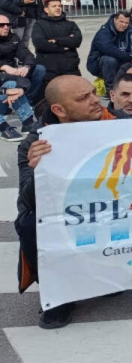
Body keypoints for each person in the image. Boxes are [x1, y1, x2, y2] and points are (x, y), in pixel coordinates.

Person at [16, 75, 115, 328]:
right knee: (28, 224)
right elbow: (28, 201)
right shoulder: (35, 141)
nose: (96, 101)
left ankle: (115, 273)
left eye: (94, 93)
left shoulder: (115, 124)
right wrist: (39, 168)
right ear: (59, 109)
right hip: (65, 211)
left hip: (110, 204)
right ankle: (58, 296)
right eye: (84, 98)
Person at [31, 0, 83, 83]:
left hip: (70, 68)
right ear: (46, 10)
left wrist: (56, 40)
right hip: (49, 70)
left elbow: (77, 40)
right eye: (54, 6)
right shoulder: (39, 25)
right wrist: (63, 47)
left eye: (59, 6)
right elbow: (40, 44)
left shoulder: (70, 24)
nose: (58, 8)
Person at [85, 10, 132, 89]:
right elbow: (108, 49)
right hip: (98, 63)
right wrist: (130, 58)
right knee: (110, 60)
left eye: (126, 23)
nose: (124, 25)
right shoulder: (104, 32)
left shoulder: (129, 28)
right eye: (121, 22)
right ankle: (111, 90)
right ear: (115, 20)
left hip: (120, 59)